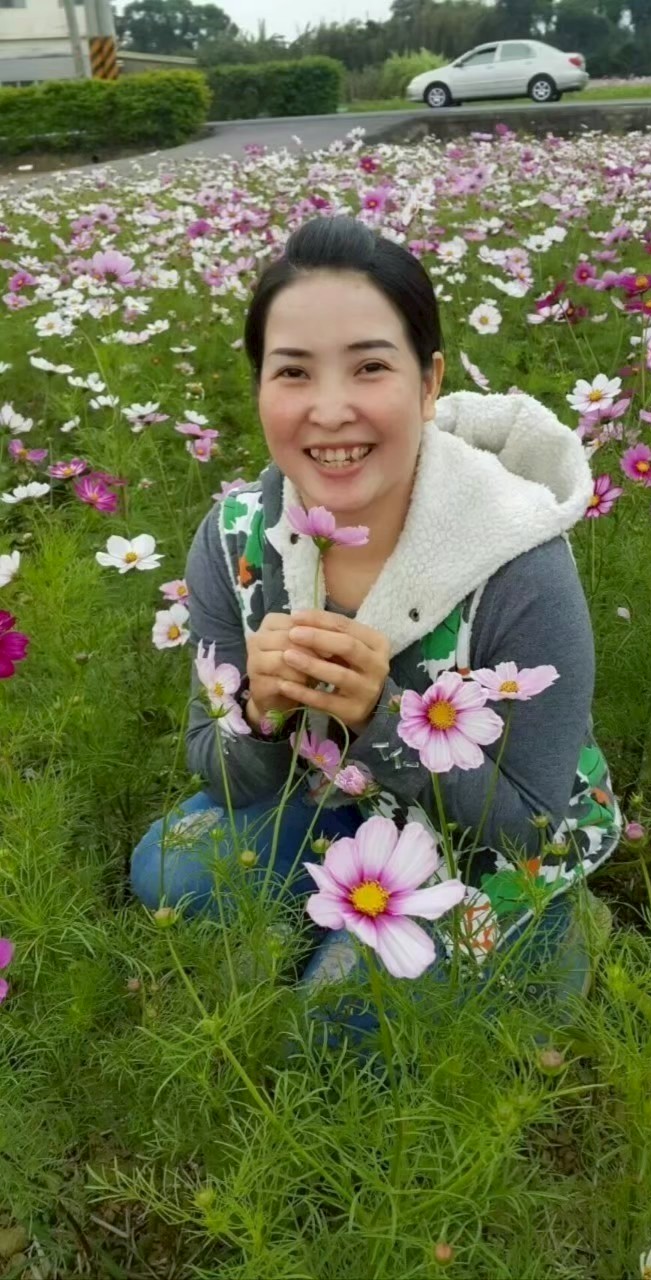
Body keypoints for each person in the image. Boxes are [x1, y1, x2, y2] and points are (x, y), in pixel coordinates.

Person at [131, 215, 620, 1007]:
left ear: (428, 383)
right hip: (342, 799)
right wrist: (258, 714)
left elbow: (528, 823)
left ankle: (556, 935)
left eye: (369, 367)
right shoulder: (236, 540)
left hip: (496, 847)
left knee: (339, 1021)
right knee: (171, 873)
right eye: (293, 372)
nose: (330, 411)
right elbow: (214, 766)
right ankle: (337, 928)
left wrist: (383, 719)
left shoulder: (518, 560)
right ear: (259, 389)